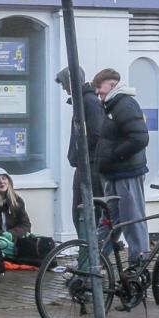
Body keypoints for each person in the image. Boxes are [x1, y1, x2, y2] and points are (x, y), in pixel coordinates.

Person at [93, 68, 151, 263]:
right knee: (109, 222)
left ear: (112, 85)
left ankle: (138, 267)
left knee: (132, 221)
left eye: (100, 90)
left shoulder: (125, 105)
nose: (99, 95)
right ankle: (93, 263)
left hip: (127, 173)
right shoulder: (111, 106)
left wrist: (115, 155)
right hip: (115, 174)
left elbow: (140, 138)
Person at [55, 66, 106, 241]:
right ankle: (89, 252)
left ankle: (93, 253)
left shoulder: (88, 102)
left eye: (64, 84)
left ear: (71, 82)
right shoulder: (84, 101)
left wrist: (79, 155)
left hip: (89, 166)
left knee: (84, 210)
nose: (64, 89)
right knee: (80, 210)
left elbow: (96, 133)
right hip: (85, 165)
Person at [0, 168, 31, 256]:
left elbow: (25, 225)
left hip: (14, 240)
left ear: (9, 181)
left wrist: (11, 234)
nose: (1, 182)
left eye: (4, 178)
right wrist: (2, 236)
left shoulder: (17, 201)